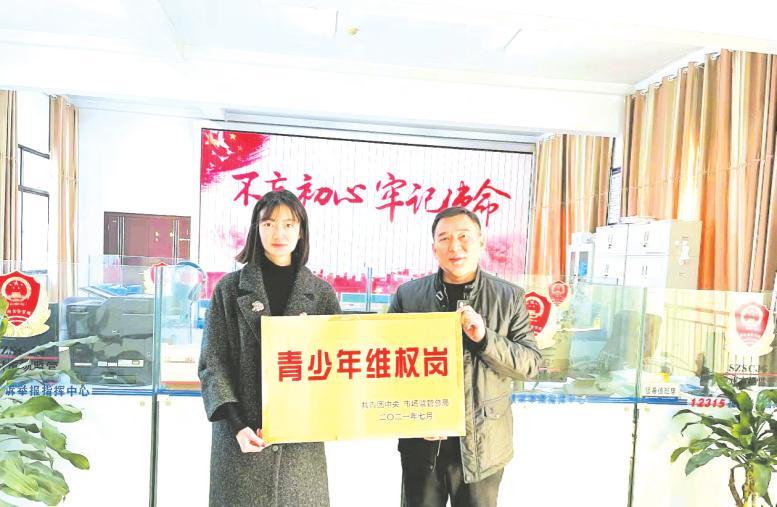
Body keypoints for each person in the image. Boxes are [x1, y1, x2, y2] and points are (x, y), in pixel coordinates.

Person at [388, 207, 541, 507]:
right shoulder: (409, 295)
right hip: (422, 443)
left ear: (481, 242)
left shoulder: (509, 297)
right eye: (444, 238)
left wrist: (485, 338)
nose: (454, 246)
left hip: (483, 446)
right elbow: (387, 364)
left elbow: (531, 364)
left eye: (463, 237)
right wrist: (411, 418)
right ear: (434, 248)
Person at [198, 190, 340, 507]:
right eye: (269, 223)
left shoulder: (321, 294)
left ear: (301, 231)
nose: (279, 233)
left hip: (300, 452)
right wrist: (238, 426)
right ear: (256, 229)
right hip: (240, 443)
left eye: (289, 224)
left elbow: (341, 365)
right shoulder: (229, 289)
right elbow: (212, 365)